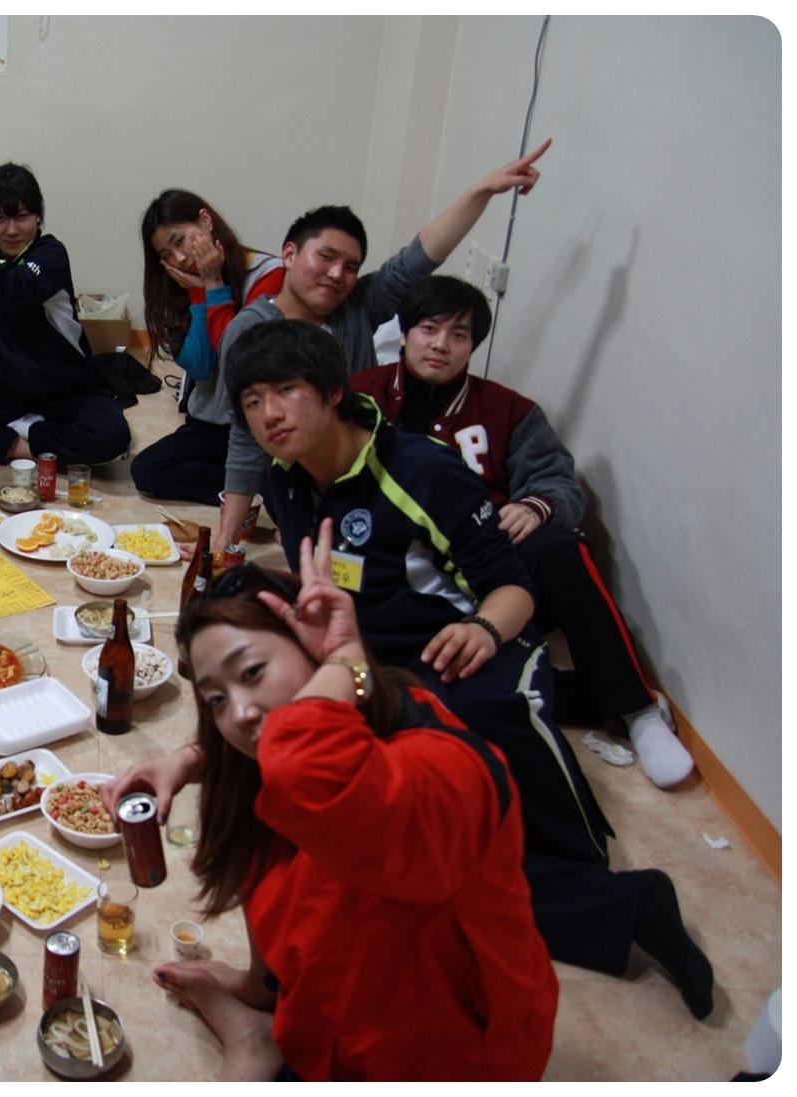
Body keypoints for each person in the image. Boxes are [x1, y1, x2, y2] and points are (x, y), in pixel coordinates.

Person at [220, 319, 714, 1018]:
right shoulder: (287, 479)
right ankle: (627, 906)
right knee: (375, 834)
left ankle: (596, 874)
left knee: (466, 755)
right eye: (252, 401)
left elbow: (516, 587)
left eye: (285, 392)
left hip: (475, 649)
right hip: (374, 663)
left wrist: (482, 627)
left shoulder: (421, 470)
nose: (269, 414)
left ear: (333, 393)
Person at [109, 533, 557, 1080]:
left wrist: (346, 658)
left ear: (317, 653)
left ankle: (255, 1035)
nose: (241, 714)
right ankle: (263, 994)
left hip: (438, 1060)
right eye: (217, 699)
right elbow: (289, 751)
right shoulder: (313, 740)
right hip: (326, 1012)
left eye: (252, 673)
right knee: (251, 816)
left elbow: (313, 767)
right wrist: (189, 758)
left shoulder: (445, 766)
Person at [352, 275, 695, 788]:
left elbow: (559, 481)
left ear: (473, 345)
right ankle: (595, 697)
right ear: (403, 333)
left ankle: (638, 711)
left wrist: (536, 506)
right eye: (428, 329)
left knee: (556, 544)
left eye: (459, 335)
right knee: (412, 682)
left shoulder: (509, 409)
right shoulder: (360, 396)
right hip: (398, 575)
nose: (441, 344)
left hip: (490, 571)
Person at [208, 140, 552, 554]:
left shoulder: (356, 306)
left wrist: (482, 191)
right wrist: (226, 539)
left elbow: (421, 256)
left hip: (367, 465)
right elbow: (246, 438)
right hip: (300, 466)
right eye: (326, 258)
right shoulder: (251, 330)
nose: (337, 274)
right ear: (290, 254)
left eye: (350, 267)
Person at [0, 162, 130, 466]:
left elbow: (13, 289)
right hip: (10, 399)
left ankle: (18, 436)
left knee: (111, 435)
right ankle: (25, 445)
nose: (11, 230)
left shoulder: (50, 254)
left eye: (22, 217)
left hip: (73, 395)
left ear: (37, 216)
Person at [129, 190, 284, 505]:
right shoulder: (178, 283)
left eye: (180, 241)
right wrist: (200, 294)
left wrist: (214, 284)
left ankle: (253, 488)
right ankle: (247, 489)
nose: (179, 258)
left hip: (256, 427)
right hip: (210, 425)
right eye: (166, 254)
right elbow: (200, 367)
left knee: (283, 488)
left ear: (206, 221)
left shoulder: (269, 275)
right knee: (146, 469)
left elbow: (240, 360)